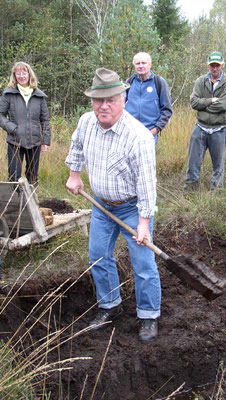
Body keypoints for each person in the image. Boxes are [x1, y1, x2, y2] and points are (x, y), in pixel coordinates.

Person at [65, 68, 161, 342]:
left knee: (142, 263)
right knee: (98, 256)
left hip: (132, 208)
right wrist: (74, 173)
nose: (103, 106)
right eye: (98, 100)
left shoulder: (138, 137)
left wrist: (143, 223)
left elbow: (147, 184)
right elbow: (77, 146)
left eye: (110, 99)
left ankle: (148, 314)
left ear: (123, 98)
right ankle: (109, 305)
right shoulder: (86, 122)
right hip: (100, 205)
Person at [183, 52, 226, 191]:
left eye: (217, 65)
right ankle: (190, 188)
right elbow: (193, 103)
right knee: (193, 162)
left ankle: (216, 190)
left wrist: (203, 106)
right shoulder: (200, 81)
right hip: (200, 127)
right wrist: (210, 101)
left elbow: (224, 105)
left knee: (218, 164)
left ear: (222, 65)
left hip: (219, 128)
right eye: (212, 65)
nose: (214, 68)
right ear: (208, 65)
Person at [0, 61, 51, 185]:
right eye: (18, 74)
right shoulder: (8, 93)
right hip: (15, 141)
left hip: (35, 142)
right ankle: (15, 203)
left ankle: (31, 202)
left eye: (24, 73)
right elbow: (0, 115)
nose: (21, 76)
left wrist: (45, 140)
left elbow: (45, 120)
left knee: (32, 177)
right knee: (13, 177)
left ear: (29, 74)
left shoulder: (38, 95)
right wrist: (12, 128)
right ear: (14, 76)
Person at [125, 52, 172, 147]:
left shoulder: (159, 82)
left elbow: (167, 110)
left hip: (149, 133)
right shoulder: (129, 83)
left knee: (146, 162)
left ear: (150, 65)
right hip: (129, 134)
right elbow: (120, 107)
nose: (141, 66)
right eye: (138, 63)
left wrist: (156, 129)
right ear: (134, 65)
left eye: (144, 63)